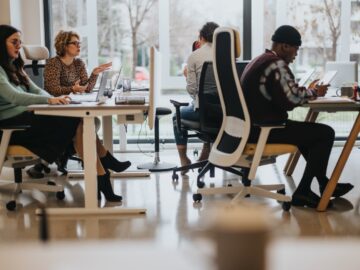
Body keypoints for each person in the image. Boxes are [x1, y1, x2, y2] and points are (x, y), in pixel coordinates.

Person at [0, 24, 124, 202]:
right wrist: (49, 100)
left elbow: (37, 91)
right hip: (13, 127)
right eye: (14, 42)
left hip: (26, 119)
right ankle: (104, 169)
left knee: (80, 120)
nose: (19, 45)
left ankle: (101, 177)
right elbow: (14, 97)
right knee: (76, 120)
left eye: (20, 41)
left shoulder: (15, 67)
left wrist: (53, 99)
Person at [240, 25, 353, 208]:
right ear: (285, 46)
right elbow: (291, 100)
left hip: (253, 127)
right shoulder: (276, 64)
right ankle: (303, 192)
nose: (296, 54)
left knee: (308, 133)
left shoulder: (261, 60)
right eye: (296, 48)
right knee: (325, 133)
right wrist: (314, 91)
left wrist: (305, 90)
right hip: (264, 130)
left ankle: (325, 184)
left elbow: (283, 95)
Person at [173, 22, 219, 174]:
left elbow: (192, 90)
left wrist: (188, 77)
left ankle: (184, 160)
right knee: (210, 113)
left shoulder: (194, 56)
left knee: (176, 116)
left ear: (201, 38)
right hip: (226, 115)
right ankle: (207, 149)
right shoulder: (227, 54)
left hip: (203, 113)